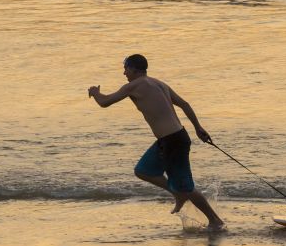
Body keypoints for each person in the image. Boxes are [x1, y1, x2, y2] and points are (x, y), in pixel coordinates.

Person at [88, 54, 224, 230]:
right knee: (143, 170)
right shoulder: (159, 83)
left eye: (126, 69)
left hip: (173, 141)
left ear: (134, 69)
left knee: (185, 187)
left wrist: (95, 92)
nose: (124, 73)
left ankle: (214, 220)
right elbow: (185, 104)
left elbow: (105, 102)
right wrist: (198, 128)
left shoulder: (133, 86)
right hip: (172, 138)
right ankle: (178, 194)